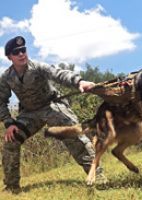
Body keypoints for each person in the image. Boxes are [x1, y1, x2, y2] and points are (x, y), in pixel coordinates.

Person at [0, 36, 107, 193]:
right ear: (9, 57)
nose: (22, 54)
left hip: (52, 106)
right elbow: (1, 101)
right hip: (29, 114)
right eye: (16, 52)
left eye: (23, 50)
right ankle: (11, 186)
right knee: (11, 141)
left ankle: (97, 176)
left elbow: (58, 73)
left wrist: (79, 82)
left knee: (74, 135)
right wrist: (9, 123)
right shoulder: (6, 77)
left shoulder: (38, 67)